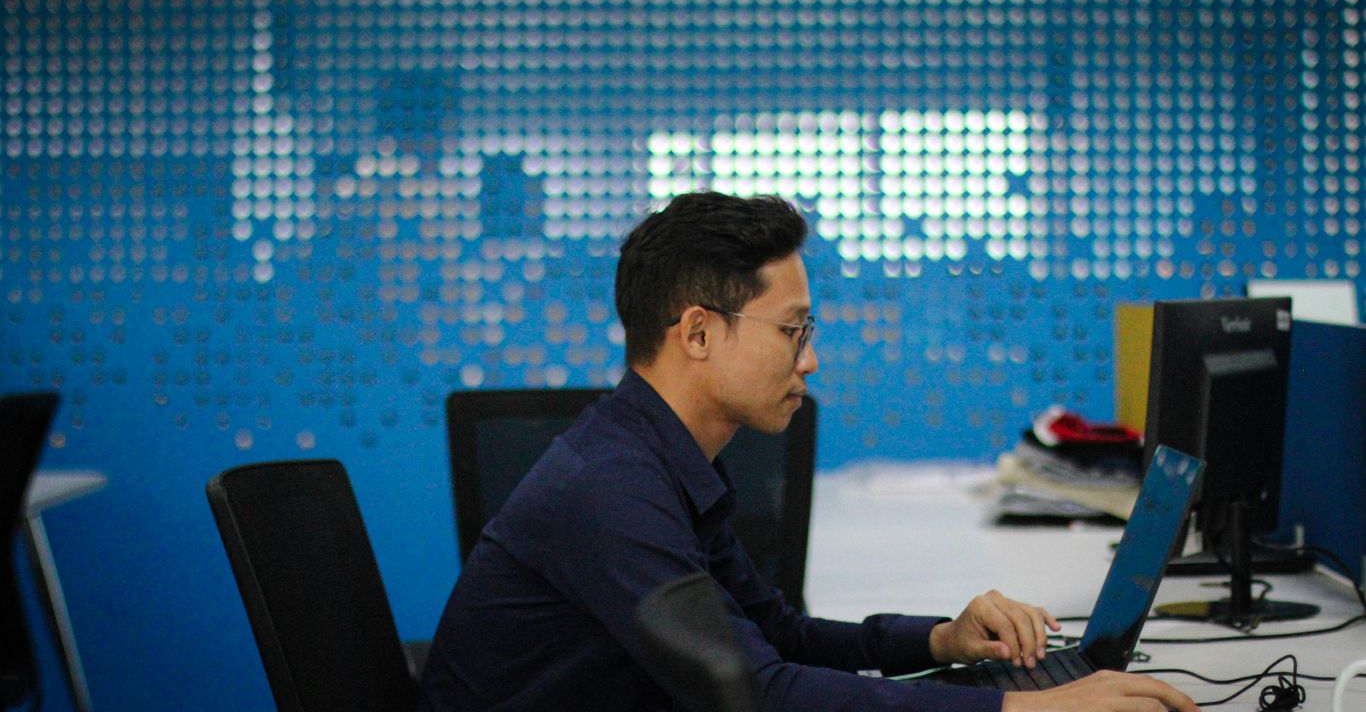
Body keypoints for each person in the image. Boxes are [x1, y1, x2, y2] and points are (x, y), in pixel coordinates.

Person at [420, 191, 1198, 711]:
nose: (810, 360)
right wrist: (1020, 707)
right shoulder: (611, 489)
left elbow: (779, 635)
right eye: (793, 331)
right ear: (696, 333)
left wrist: (939, 640)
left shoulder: (659, 459)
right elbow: (759, 691)